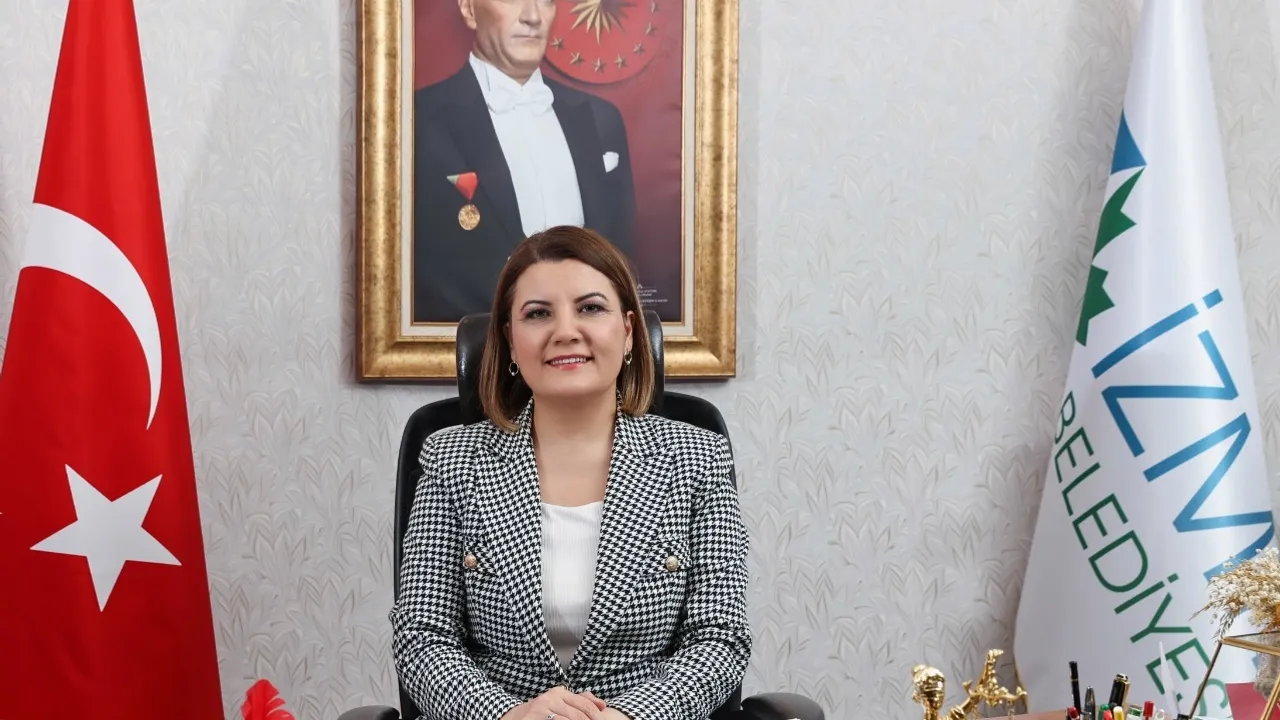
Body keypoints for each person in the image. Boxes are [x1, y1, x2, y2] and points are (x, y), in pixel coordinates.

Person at [390, 226, 750, 720]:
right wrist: (507, 715)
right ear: (510, 340)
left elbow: (720, 638)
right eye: (538, 314)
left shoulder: (697, 458)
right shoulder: (452, 459)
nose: (565, 331)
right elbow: (421, 637)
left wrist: (631, 716)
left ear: (628, 331)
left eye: (591, 308)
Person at [412, 0, 637, 324]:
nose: (533, 17)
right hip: (480, 344)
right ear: (469, 10)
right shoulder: (419, 121)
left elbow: (620, 257)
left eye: (545, 0)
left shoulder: (602, 118)